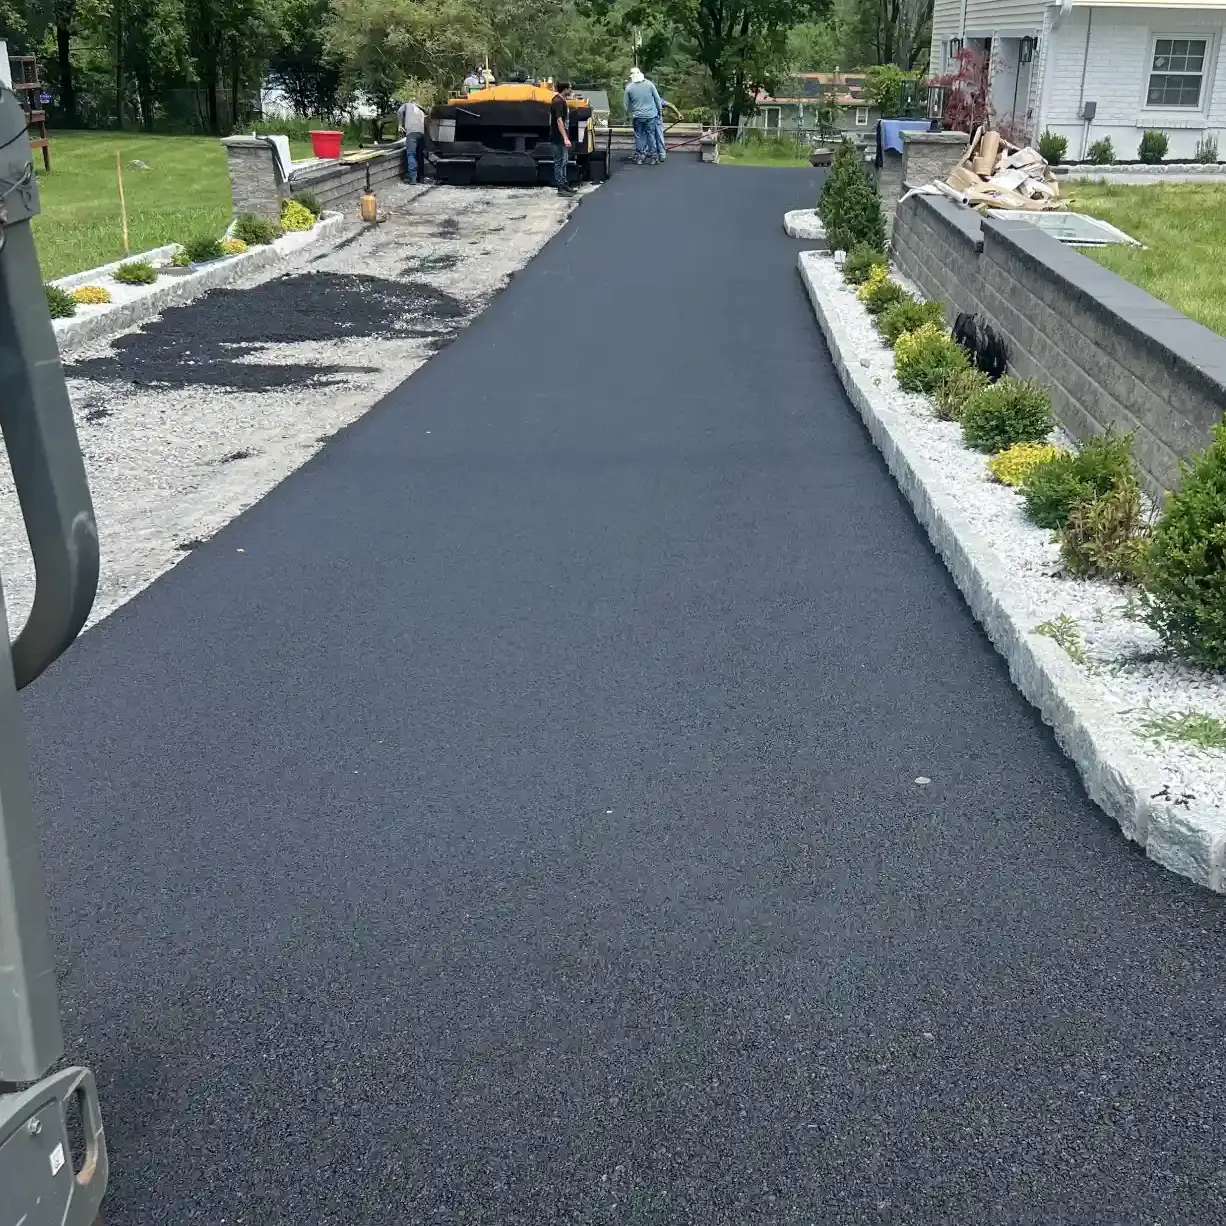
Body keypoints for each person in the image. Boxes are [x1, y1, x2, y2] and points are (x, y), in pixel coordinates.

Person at [623, 67, 663, 165]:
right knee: (651, 135)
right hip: (650, 116)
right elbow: (657, 99)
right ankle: (654, 157)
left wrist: (626, 116)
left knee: (639, 136)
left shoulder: (629, 87)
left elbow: (625, 104)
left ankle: (640, 157)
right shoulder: (650, 85)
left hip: (637, 116)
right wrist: (660, 112)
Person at [550, 80, 576, 196]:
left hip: (562, 136)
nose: (571, 90)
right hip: (558, 137)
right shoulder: (557, 102)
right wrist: (565, 138)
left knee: (564, 161)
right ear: (564, 89)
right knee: (559, 162)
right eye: (569, 88)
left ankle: (565, 184)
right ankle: (560, 188)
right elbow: (559, 121)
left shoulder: (562, 101)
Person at [397, 94, 427, 184]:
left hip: (412, 132)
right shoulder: (422, 110)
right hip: (422, 133)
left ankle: (412, 179)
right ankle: (421, 178)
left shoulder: (407, 105)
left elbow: (399, 112)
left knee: (411, 155)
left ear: (411, 101)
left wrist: (400, 125)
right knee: (420, 155)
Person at [653, 95, 669, 162]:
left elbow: (668, 106)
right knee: (650, 137)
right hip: (649, 121)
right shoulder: (646, 99)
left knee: (659, 137)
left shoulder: (660, 100)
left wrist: (662, 112)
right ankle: (652, 153)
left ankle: (662, 154)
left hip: (657, 120)